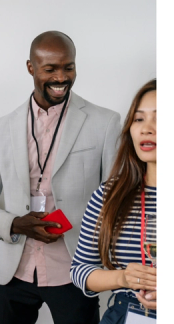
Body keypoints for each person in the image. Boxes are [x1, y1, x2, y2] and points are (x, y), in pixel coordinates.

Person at [0, 31, 121, 324]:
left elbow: (115, 200)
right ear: (31, 67)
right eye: (50, 69)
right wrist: (15, 224)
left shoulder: (105, 123)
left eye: (68, 67)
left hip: (75, 269)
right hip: (11, 271)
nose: (61, 77)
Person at [70, 79, 156, 323]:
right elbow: (80, 271)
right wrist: (123, 278)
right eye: (139, 119)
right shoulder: (109, 194)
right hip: (125, 313)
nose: (146, 128)